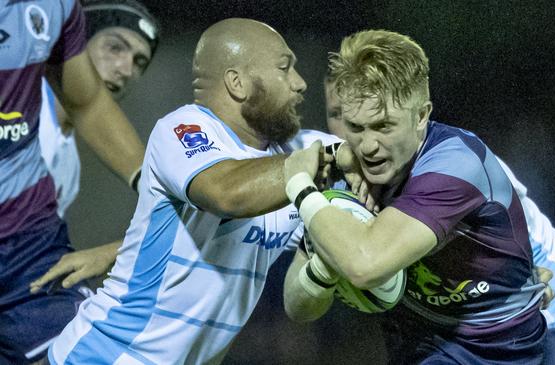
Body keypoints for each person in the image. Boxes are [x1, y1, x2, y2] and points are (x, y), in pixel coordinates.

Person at [48, 18, 342, 365]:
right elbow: (226, 194)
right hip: (110, 355)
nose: (300, 82)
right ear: (237, 82)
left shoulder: (296, 152)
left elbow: (380, 158)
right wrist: (323, 162)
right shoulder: (183, 130)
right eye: (284, 68)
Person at [283, 29, 547, 364]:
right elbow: (296, 304)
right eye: (356, 127)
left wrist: (300, 189)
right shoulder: (347, 179)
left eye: (383, 126)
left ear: (421, 115)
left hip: (495, 353)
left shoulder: (456, 165)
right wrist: (323, 265)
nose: (368, 146)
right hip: (416, 349)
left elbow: (366, 265)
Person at [323, 77, 555, 363]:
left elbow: (534, 279)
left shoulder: (449, 173)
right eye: (340, 115)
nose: (355, 132)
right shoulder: (339, 180)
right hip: (456, 336)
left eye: (373, 115)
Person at [0, 1, 147, 363]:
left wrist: (163, 188)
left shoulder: (55, 8)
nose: (125, 68)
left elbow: (88, 103)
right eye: (115, 47)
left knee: (98, 353)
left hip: (28, 245)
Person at [29, 0, 160, 295]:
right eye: (115, 47)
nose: (126, 69)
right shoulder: (21, 103)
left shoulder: (70, 164)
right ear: (76, 43)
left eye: (139, 61)